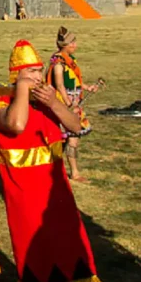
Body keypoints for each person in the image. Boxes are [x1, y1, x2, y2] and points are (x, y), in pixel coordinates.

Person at [0, 40, 100, 282]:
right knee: (37, 258)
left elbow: (75, 126)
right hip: (25, 193)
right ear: (16, 75)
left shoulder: (49, 100)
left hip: (56, 190)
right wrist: (23, 91)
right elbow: (15, 125)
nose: (38, 77)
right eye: (31, 72)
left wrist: (56, 104)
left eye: (39, 71)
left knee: (66, 254)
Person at [46, 27, 98, 182]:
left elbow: (75, 80)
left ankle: (60, 171)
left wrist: (87, 87)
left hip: (73, 102)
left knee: (68, 139)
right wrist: (68, 103)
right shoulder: (58, 63)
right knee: (71, 138)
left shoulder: (69, 60)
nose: (75, 45)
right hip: (65, 104)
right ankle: (73, 173)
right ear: (64, 45)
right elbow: (60, 85)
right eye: (72, 42)